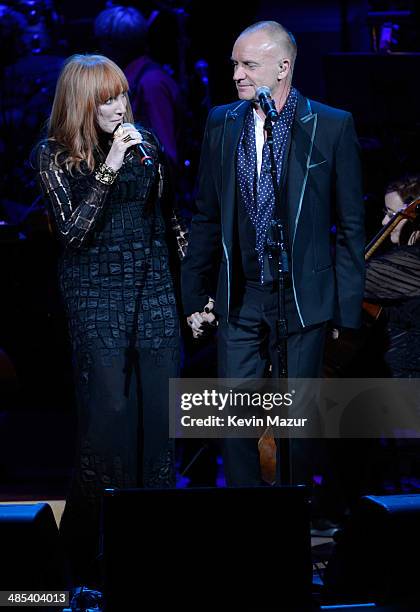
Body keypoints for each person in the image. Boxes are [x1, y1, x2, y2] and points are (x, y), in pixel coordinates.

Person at [181, 21, 365, 487]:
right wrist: (193, 292)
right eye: (235, 65)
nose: (238, 74)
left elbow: (349, 227)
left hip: (303, 293)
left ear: (283, 67)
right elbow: (206, 213)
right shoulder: (223, 121)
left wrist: (346, 310)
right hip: (242, 294)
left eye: (249, 64)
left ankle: (297, 516)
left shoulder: (330, 125)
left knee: (295, 421)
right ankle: (247, 519)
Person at [35, 54, 180, 587]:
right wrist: (110, 165)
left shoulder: (147, 147)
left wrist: (192, 299)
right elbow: (72, 234)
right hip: (96, 300)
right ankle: (86, 560)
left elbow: (167, 220)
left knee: (159, 423)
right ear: (82, 105)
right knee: (110, 425)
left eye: (122, 96)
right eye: (107, 100)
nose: (120, 107)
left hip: (153, 293)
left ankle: (157, 556)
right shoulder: (52, 156)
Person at [94, 5, 183, 174]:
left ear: (112, 44)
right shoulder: (131, 79)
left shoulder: (151, 84)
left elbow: (166, 153)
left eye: (100, 41)